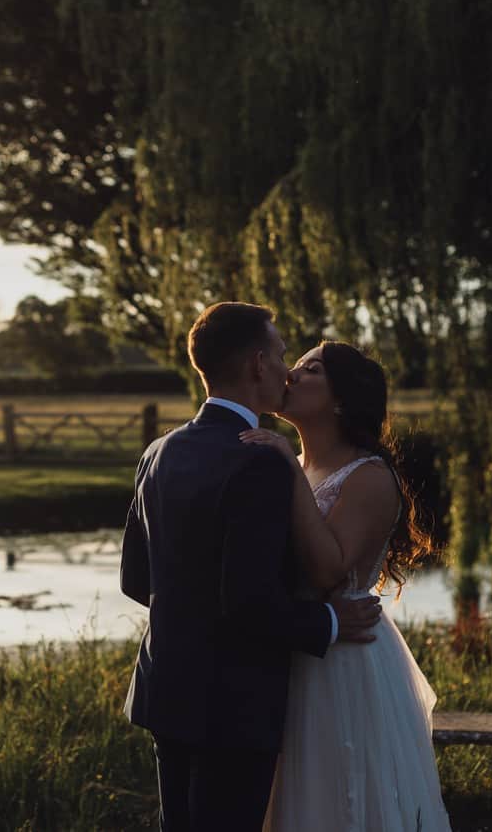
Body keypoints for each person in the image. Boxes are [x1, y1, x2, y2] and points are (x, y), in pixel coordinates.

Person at [120, 302, 383, 831]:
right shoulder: (260, 460)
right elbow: (247, 604)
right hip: (233, 704)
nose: (289, 368)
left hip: (165, 689)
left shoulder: (159, 450)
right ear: (258, 365)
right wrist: (329, 623)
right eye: (284, 354)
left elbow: (136, 580)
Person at [240, 340, 452, 831]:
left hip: (341, 663)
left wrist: (286, 472)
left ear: (339, 400)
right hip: (292, 647)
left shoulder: (369, 477)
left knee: (341, 795)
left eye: (310, 368)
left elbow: (328, 570)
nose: (290, 374)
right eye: (294, 363)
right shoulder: (291, 461)